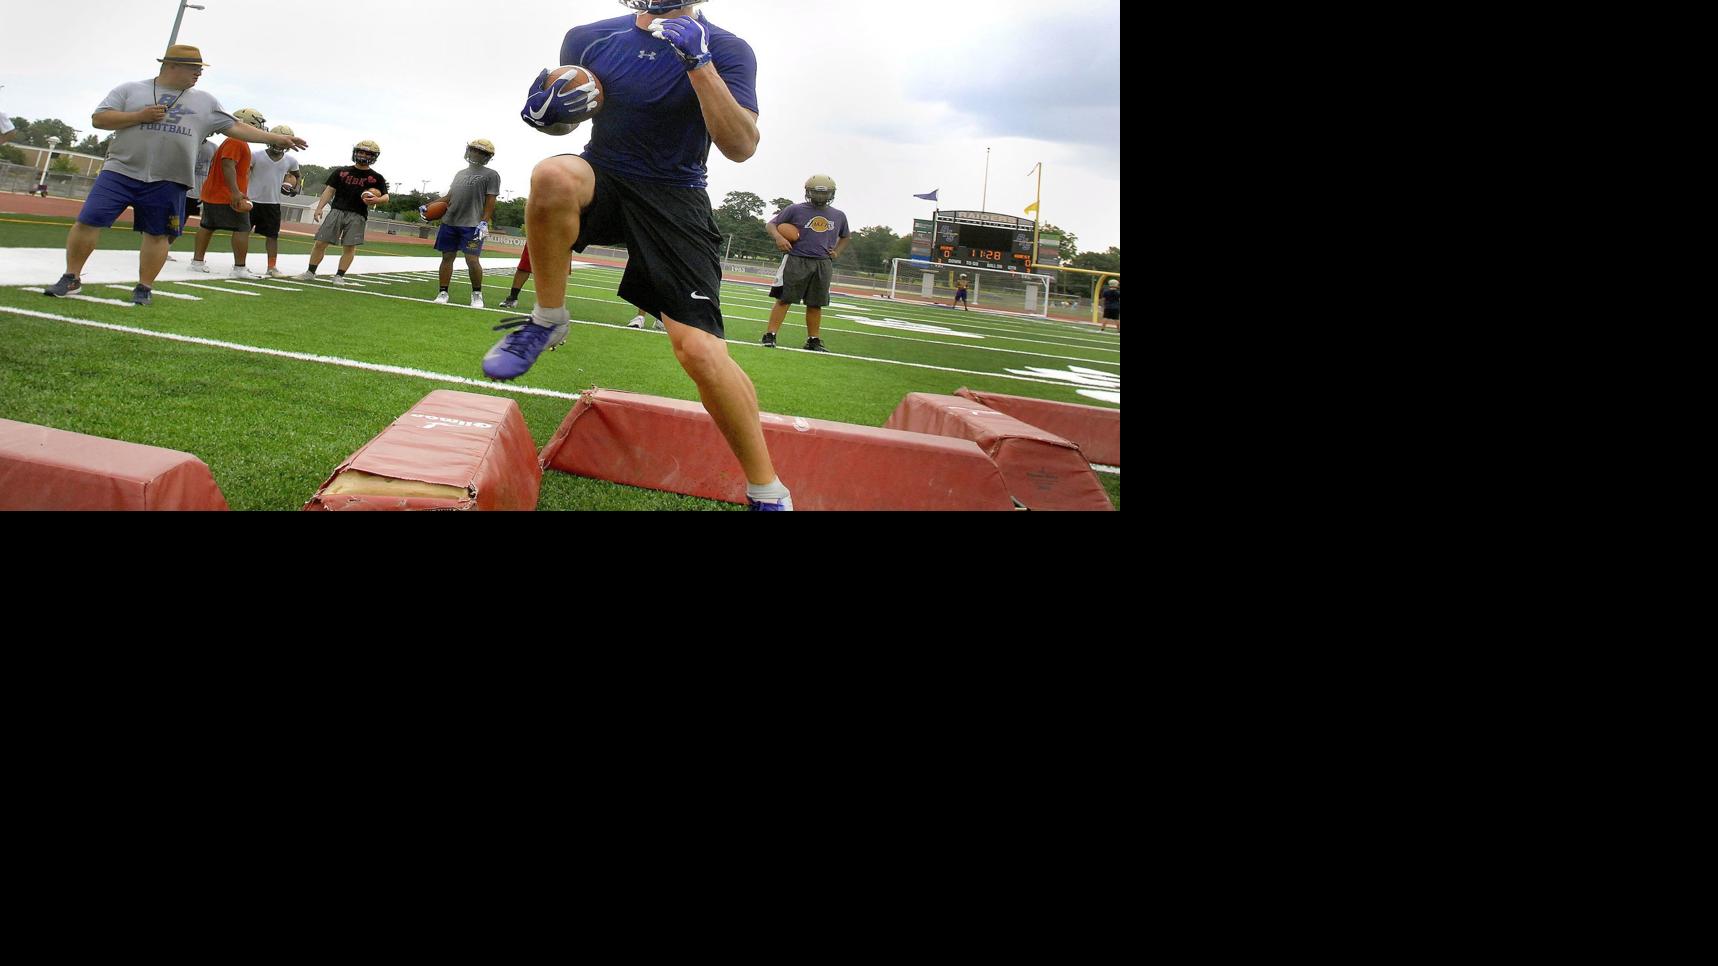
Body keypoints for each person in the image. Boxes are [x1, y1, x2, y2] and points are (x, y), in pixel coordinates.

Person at [508, 0, 792, 510]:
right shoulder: (588, 37)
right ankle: (548, 316)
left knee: (700, 353)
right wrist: (547, 116)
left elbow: (741, 145)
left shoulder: (727, 48)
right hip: (605, 174)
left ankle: (767, 489)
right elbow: (572, 122)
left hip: (675, 193)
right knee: (551, 174)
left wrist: (698, 63)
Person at [42, 44, 307, 306]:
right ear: (171, 65)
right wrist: (139, 116)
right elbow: (99, 119)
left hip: (170, 177)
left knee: (157, 233)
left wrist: (276, 138)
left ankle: (144, 287)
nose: (198, 74)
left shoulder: (205, 101)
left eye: (200, 69)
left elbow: (235, 127)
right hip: (120, 170)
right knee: (88, 221)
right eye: (194, 68)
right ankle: (71, 276)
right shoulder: (131, 90)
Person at [760, 173, 848, 351]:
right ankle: (770, 335)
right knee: (784, 299)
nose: (821, 196)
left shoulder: (838, 215)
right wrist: (779, 238)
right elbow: (771, 224)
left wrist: (836, 251)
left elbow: (846, 236)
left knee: (816, 303)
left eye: (825, 193)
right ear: (808, 192)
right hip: (796, 258)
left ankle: (813, 340)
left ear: (832, 194)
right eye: (817, 192)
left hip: (822, 263)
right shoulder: (795, 209)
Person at [188, 106, 268, 277]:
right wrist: (235, 191)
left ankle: (197, 262)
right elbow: (228, 163)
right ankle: (239, 268)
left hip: (214, 192)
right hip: (225, 194)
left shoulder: (231, 140)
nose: (260, 127)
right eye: (257, 122)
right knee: (241, 228)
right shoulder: (236, 140)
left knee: (207, 226)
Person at [293, 139, 388, 284]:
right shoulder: (341, 171)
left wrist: (377, 200)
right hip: (337, 210)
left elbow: (386, 196)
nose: (364, 155)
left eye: (368, 153)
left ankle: (339, 276)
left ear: (374, 156)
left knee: (349, 246)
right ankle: (310, 272)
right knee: (320, 243)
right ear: (355, 152)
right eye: (361, 152)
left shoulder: (376, 177)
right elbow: (329, 190)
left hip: (358, 214)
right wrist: (319, 208)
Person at [430, 138, 500, 307]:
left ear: (487, 156)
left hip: (474, 224)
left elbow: (491, 200)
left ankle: (477, 294)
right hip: (450, 221)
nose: (476, 154)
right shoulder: (460, 173)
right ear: (469, 150)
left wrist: (484, 222)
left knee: (472, 260)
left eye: (481, 152)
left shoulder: (492, 174)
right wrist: (429, 206)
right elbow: (449, 197)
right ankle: (443, 292)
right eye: (474, 150)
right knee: (447, 257)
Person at [248, 124, 302, 277]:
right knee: (243, 232)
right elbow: (245, 174)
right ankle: (240, 264)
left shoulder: (291, 160)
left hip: (272, 202)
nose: (279, 144)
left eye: (283, 142)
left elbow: (297, 175)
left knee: (272, 236)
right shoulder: (256, 155)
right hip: (252, 199)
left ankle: (272, 267)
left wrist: (295, 188)